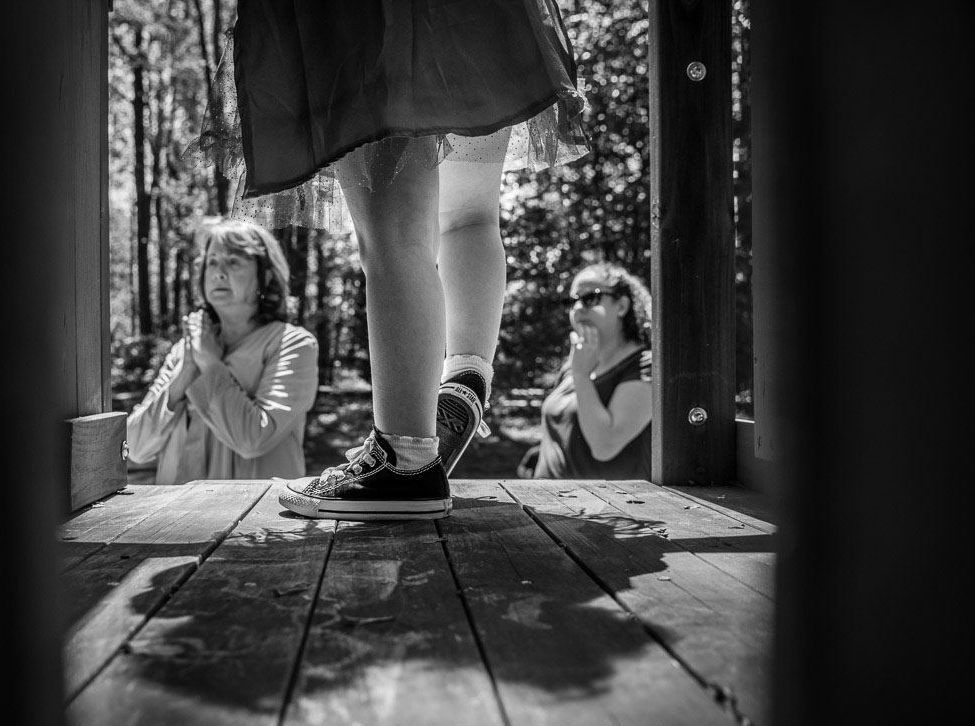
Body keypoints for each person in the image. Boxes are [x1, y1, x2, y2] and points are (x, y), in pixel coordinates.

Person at [192, 1, 589, 519]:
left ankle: (404, 460)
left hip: (363, 18)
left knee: (395, 237)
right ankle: (466, 377)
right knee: (471, 217)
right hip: (479, 18)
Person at [125, 220, 319, 484]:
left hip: (255, 519)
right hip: (175, 520)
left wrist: (210, 364)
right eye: (213, 261)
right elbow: (135, 447)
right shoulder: (185, 349)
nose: (219, 272)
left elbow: (253, 440)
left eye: (234, 261)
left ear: (267, 276)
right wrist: (185, 374)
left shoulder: (293, 344)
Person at [520, 262, 653, 480]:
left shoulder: (645, 365)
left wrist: (581, 375)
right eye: (572, 301)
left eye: (590, 297)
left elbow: (605, 445)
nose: (579, 307)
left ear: (622, 305)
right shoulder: (573, 364)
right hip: (547, 507)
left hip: (607, 509)